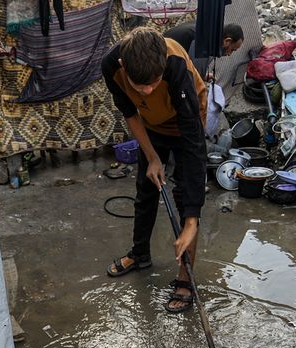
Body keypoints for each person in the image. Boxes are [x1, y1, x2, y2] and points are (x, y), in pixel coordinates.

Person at [101, 27, 208, 313]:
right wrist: (152, 157)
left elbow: (194, 147)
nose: (147, 90)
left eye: (154, 83)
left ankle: (186, 278)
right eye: (140, 86)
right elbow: (130, 114)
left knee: (185, 196)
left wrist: (191, 221)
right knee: (146, 188)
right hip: (151, 125)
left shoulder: (175, 66)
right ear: (125, 67)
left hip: (186, 120)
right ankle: (140, 254)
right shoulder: (112, 66)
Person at [163, 22, 244, 81]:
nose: (229, 54)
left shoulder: (210, 31)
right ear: (227, 41)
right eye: (232, 50)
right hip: (160, 65)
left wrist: (203, 76)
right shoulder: (205, 42)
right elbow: (193, 78)